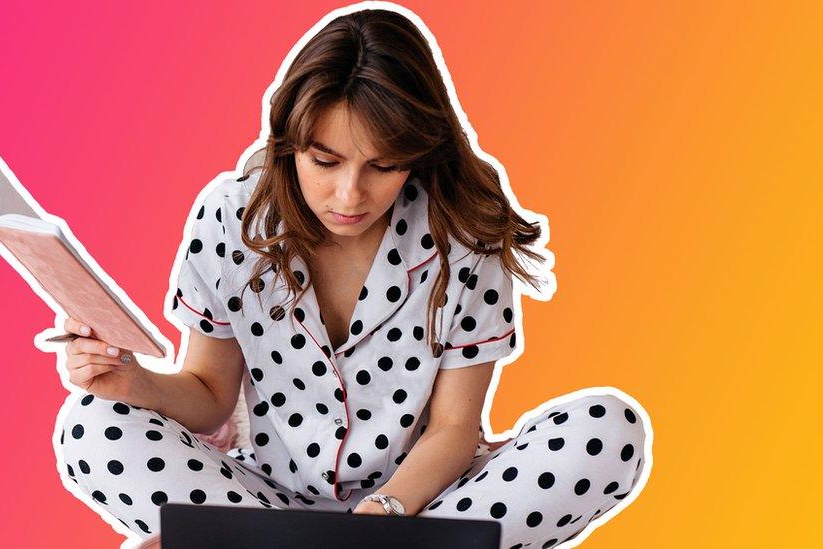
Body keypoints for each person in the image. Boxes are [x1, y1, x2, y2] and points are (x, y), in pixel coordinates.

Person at [53, 7, 651, 549]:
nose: (350, 195)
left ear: (417, 151)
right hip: (263, 505)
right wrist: (129, 381)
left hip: (414, 511)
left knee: (607, 431)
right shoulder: (231, 216)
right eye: (325, 161)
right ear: (290, 145)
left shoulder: (466, 232)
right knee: (89, 424)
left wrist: (382, 517)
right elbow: (210, 398)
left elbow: (452, 429)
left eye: (383, 166)